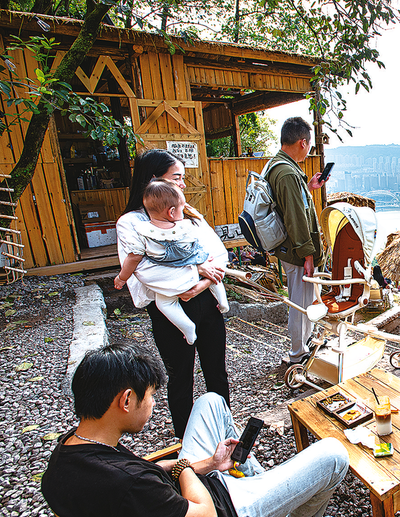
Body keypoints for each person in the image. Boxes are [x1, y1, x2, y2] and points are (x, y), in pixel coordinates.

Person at [42, 344, 349, 517]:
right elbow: (205, 513)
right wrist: (187, 467)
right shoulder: (132, 484)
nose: (152, 404)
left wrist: (210, 464)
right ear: (126, 400)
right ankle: (275, 497)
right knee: (334, 454)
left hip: (195, 486)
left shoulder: (69, 452)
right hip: (223, 506)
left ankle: (260, 480)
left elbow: (147, 472)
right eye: (149, 396)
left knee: (211, 402)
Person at [117, 148, 229, 439]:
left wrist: (204, 282)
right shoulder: (132, 223)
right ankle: (188, 441)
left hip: (207, 301)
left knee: (217, 371)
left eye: (182, 178)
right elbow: (148, 274)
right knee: (181, 379)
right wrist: (198, 271)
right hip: (170, 310)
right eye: (176, 178)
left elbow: (219, 255)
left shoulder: (187, 213)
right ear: (155, 180)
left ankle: (224, 429)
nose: (182, 184)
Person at [115, 179, 229, 345]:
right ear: (171, 212)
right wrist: (198, 265)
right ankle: (223, 302)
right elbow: (202, 245)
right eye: (177, 178)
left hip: (171, 283)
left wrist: (121, 278)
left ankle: (187, 328)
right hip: (197, 267)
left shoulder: (141, 231)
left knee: (165, 303)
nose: (182, 183)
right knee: (212, 269)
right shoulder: (186, 225)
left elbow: (133, 257)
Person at [268, 117, 328, 364]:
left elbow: (292, 203)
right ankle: (297, 354)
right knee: (301, 306)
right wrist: (308, 255)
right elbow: (295, 216)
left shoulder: (280, 166)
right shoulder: (287, 174)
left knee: (303, 301)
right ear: (303, 142)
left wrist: (309, 186)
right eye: (310, 146)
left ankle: (304, 346)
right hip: (297, 252)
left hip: (292, 249)